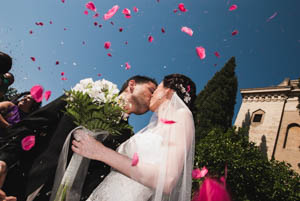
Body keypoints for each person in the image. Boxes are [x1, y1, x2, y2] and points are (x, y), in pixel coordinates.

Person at [23, 75, 157, 201]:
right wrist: (4, 159)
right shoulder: (86, 95)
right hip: (29, 182)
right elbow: (35, 123)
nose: (153, 97)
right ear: (132, 85)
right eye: (151, 90)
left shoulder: (127, 137)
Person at [71, 74, 196, 201]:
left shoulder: (182, 115)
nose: (151, 95)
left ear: (168, 91)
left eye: (155, 90)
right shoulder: (151, 129)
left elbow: (168, 180)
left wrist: (101, 152)